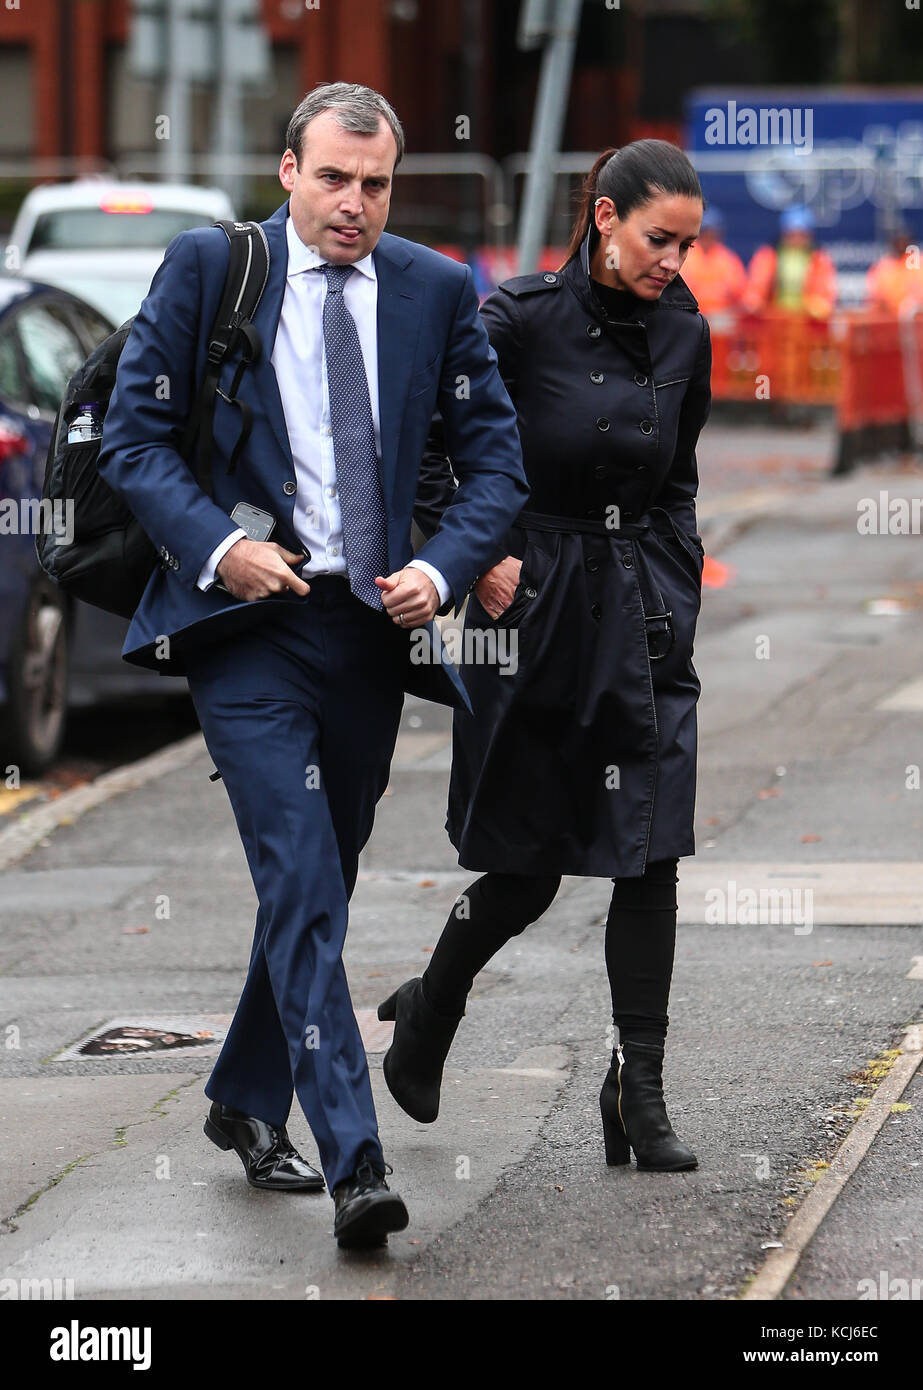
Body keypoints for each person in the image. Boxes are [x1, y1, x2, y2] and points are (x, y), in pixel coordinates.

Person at [97, 82, 527, 1249]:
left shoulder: (434, 290)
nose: (353, 204)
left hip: (364, 632)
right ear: (289, 171)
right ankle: (357, 1162)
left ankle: (242, 1097)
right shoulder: (210, 268)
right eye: (332, 178)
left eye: (375, 183)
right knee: (298, 874)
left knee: (320, 874)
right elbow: (134, 438)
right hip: (244, 625)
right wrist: (222, 546)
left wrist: (440, 571)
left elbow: (495, 462)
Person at [378, 139, 711, 1172]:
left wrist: (672, 577)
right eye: (660, 239)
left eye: (688, 243)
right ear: (604, 219)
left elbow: (679, 475)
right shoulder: (515, 321)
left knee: (649, 849)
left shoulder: (686, 331)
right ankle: (431, 1012)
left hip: (641, 607)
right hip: (532, 604)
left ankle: (637, 1089)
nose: (674, 260)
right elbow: (437, 447)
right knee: (525, 864)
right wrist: (484, 560)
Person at [742, 205, 837, 319]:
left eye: (801, 234)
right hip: (774, 321)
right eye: (791, 233)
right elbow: (756, 286)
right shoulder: (768, 255)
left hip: (807, 322)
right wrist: (754, 301)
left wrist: (819, 305)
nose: (796, 239)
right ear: (783, 233)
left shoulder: (820, 258)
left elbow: (825, 293)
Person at [679, 205, 746, 316]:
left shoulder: (728, 258)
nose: (708, 236)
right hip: (690, 314)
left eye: (712, 232)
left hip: (721, 318)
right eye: (705, 232)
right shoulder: (686, 255)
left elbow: (740, 292)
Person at [865, 227, 923, 315]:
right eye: (898, 241)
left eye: (904, 241)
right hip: (888, 318)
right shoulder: (883, 266)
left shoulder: (922, 263)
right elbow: (875, 295)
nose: (901, 244)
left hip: (917, 320)